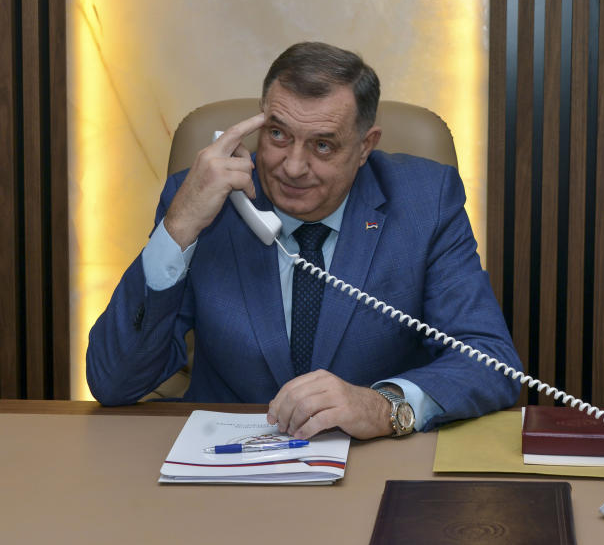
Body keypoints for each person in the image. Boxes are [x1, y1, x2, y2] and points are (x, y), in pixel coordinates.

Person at [86, 41, 523, 440]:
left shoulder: (424, 202)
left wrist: (385, 405)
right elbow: (114, 382)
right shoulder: (203, 199)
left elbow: (490, 362)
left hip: (371, 468)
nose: (292, 167)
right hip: (224, 473)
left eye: (323, 145)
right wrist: (178, 227)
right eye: (278, 134)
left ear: (365, 146)